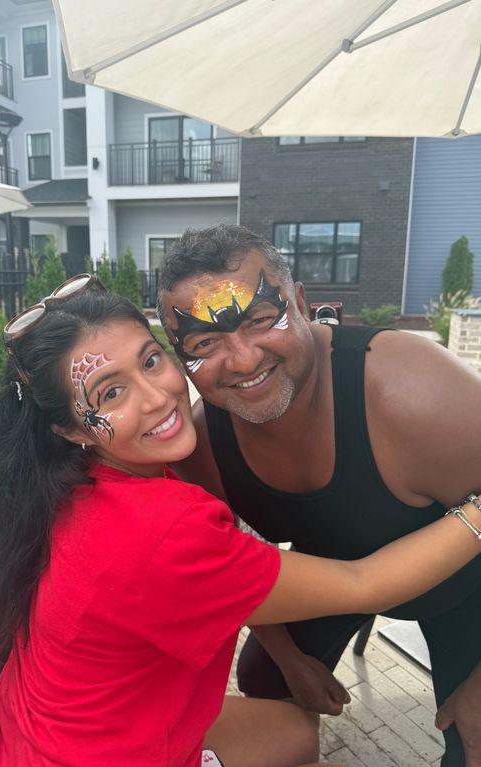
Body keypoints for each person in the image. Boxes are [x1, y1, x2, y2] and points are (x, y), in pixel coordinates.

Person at [0, 275, 481, 767]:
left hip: (29, 739)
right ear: (71, 430)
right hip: (103, 754)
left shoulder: (62, 483)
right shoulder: (163, 531)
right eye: (111, 392)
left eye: (151, 361)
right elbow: (366, 583)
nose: (157, 397)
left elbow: (234, 581)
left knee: (293, 732)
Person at [157, 224, 481, 767]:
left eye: (261, 319)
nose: (242, 360)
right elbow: (228, 567)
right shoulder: (203, 445)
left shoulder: (412, 391)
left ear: (301, 303)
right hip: (337, 580)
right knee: (263, 677)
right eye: (204, 343)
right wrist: (289, 660)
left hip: (467, 590)